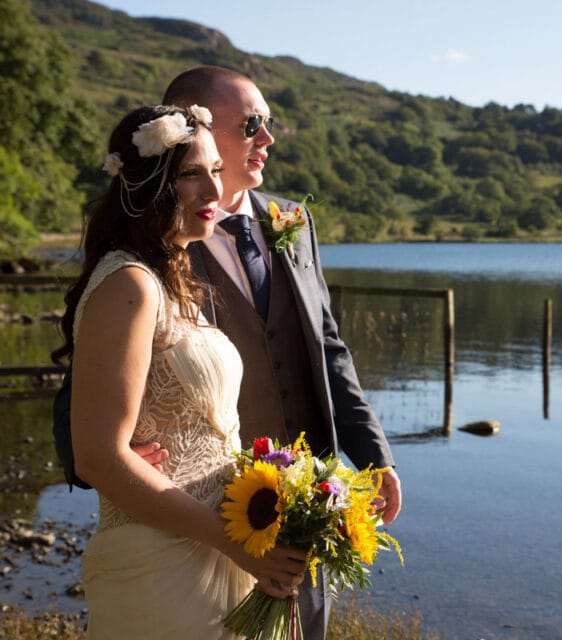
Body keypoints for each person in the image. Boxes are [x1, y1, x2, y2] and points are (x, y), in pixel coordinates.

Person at [161, 66, 402, 638]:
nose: (267, 138)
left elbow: (328, 348)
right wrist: (101, 456)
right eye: (251, 124)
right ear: (194, 131)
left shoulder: (291, 219)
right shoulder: (154, 236)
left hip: (308, 493)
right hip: (205, 504)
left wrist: (375, 457)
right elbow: (90, 368)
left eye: (268, 123)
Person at [51, 105, 307, 638]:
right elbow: (99, 456)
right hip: (163, 564)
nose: (214, 192)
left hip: (219, 549)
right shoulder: (130, 284)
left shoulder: (173, 277)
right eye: (192, 175)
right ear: (144, 185)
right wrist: (234, 541)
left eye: (216, 171)